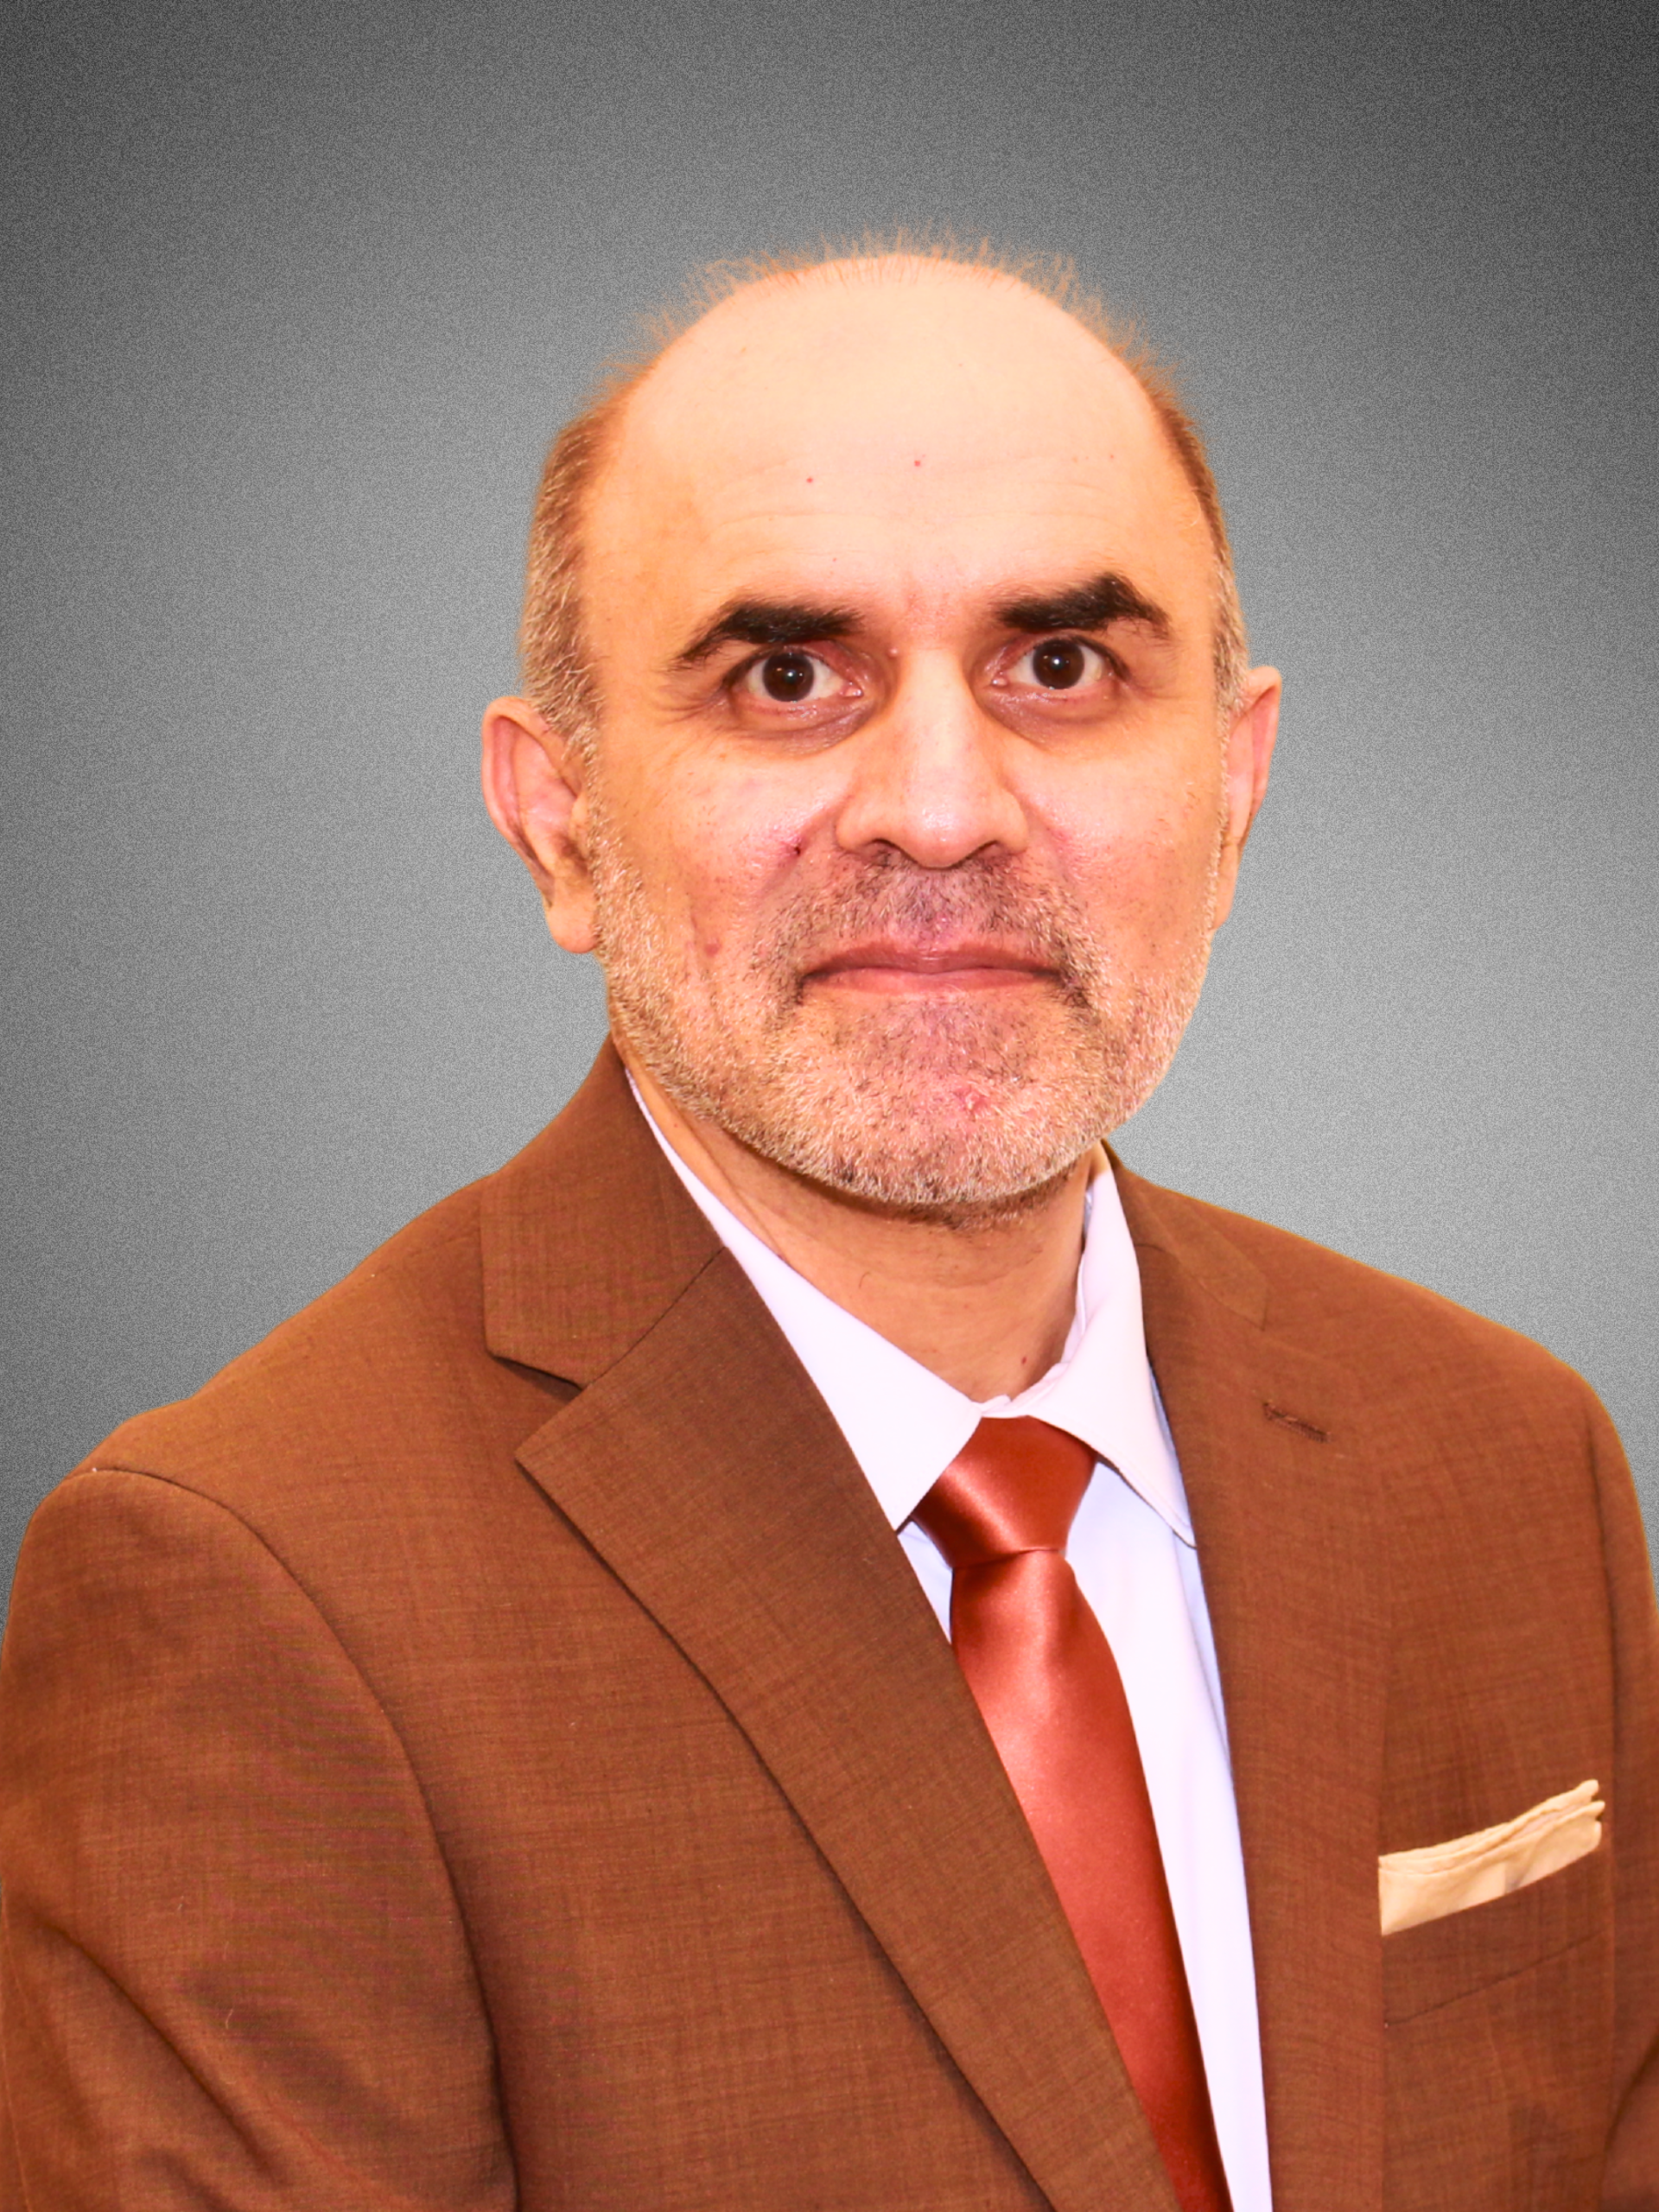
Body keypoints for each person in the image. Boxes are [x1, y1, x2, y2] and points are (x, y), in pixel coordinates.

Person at [2, 245, 1654, 2212]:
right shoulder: (255, 1590)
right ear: (560, 824)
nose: (942, 807)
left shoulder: (1504, 1454)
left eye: (1063, 665)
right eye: (788, 676)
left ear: (1233, 783)